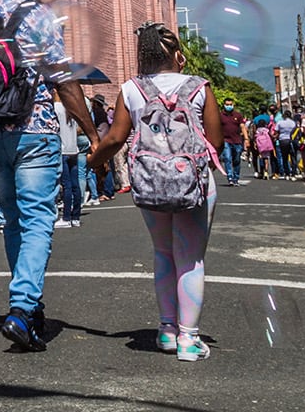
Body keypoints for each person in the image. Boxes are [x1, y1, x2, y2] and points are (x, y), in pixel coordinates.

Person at [0, 0, 97, 352]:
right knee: (38, 219)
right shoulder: (40, 16)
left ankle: (29, 309)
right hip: (34, 131)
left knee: (13, 219)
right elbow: (64, 82)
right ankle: (21, 308)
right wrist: (94, 133)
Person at [87, 23, 220, 362]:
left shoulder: (132, 89)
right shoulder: (200, 87)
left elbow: (115, 139)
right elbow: (216, 142)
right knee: (190, 258)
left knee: (163, 253)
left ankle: (166, 330)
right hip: (193, 183)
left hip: (151, 182)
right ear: (178, 56)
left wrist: (94, 161)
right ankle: (189, 340)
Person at [55, 87, 86, 229]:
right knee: (75, 186)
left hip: (62, 150)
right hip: (74, 149)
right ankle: (76, 217)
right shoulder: (72, 110)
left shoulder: (57, 108)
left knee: (66, 185)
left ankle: (66, 217)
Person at [217, 98, 245, 187]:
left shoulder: (238, 115)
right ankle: (230, 177)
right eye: (227, 104)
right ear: (224, 105)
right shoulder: (220, 116)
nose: (229, 106)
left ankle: (236, 178)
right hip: (226, 141)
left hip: (237, 141)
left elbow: (243, 127)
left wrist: (247, 139)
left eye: (230, 104)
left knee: (236, 159)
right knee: (227, 158)